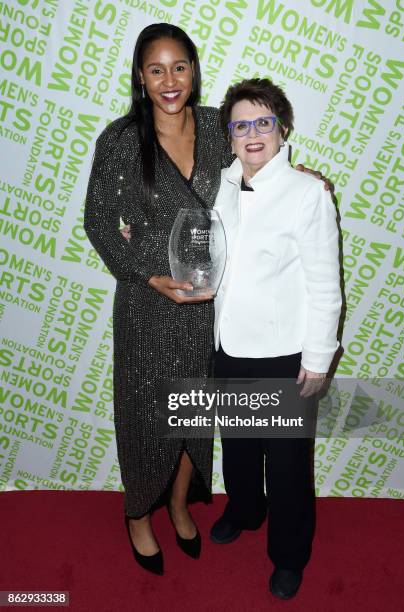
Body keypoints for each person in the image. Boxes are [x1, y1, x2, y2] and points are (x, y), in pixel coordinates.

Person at [84, 22, 332, 577]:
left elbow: (259, 162)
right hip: (147, 310)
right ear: (140, 77)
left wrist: (303, 174)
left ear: (194, 70)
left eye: (180, 66)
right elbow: (99, 222)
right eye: (156, 69)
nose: (169, 80)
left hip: (210, 313)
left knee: (193, 418)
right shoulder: (121, 139)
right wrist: (148, 275)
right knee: (145, 417)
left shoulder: (221, 126)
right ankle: (137, 515)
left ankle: (178, 504)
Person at [209, 78, 342, 600]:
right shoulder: (218, 183)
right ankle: (244, 508)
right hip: (228, 346)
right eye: (241, 124)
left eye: (263, 122)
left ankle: (289, 553)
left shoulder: (308, 192)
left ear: (282, 129)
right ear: (231, 136)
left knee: (287, 465)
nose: (253, 133)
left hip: (286, 353)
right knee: (238, 447)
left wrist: (318, 357)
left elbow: (325, 283)